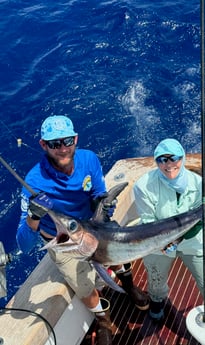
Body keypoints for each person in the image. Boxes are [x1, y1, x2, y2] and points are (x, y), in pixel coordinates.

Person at [16, 115, 149, 345]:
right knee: (85, 288)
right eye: (55, 144)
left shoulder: (88, 159)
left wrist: (103, 204)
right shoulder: (34, 182)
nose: (62, 148)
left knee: (117, 258)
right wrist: (33, 217)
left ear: (75, 139)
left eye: (67, 141)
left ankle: (129, 286)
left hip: (93, 227)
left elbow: (99, 192)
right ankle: (104, 321)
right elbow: (23, 245)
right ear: (43, 145)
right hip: (64, 243)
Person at [133, 138, 205, 322]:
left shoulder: (198, 183)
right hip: (158, 244)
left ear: (183, 158)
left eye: (174, 158)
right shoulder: (143, 186)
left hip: (192, 241)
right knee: (156, 278)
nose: (168, 164)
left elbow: (199, 220)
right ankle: (157, 300)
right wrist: (164, 242)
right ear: (156, 162)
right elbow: (148, 222)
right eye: (162, 160)